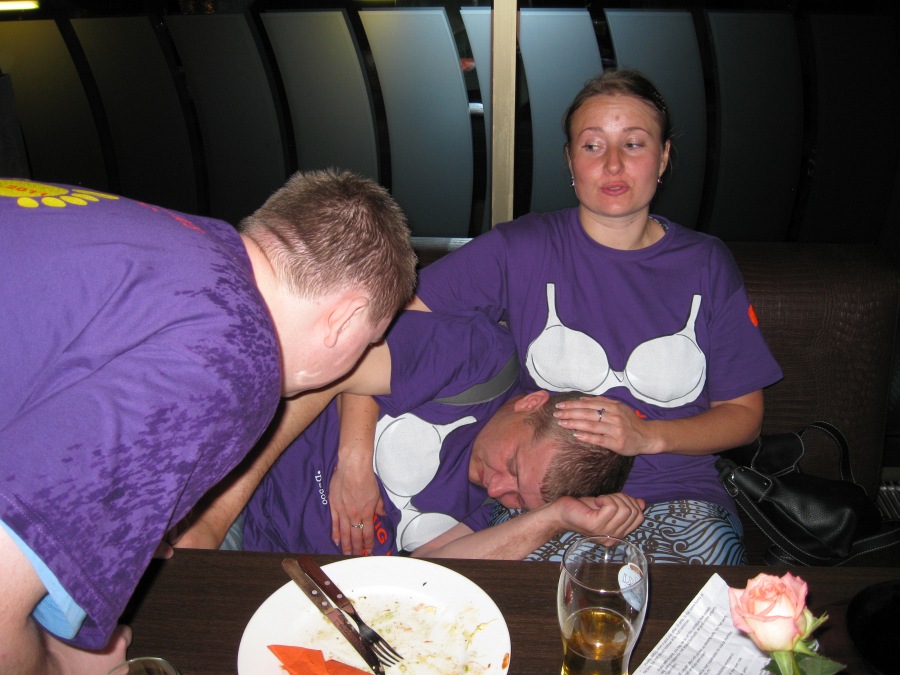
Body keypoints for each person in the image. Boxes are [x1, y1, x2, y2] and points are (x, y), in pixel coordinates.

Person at [0, 170, 416, 675]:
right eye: (369, 341)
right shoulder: (234, 356)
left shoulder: (184, 240)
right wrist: (61, 665)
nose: (360, 358)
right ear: (345, 319)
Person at [404, 69, 783, 565]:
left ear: (663, 157)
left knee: (688, 610)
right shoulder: (523, 248)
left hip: (678, 497)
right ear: (570, 160)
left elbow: (744, 417)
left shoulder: (705, 263)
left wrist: (649, 435)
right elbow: (392, 329)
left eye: (633, 143)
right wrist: (352, 452)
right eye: (592, 145)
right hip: (534, 502)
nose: (612, 164)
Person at [240, 310, 641, 560]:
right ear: (531, 404)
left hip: (313, 588)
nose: (496, 486)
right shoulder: (482, 360)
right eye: (513, 465)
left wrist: (555, 517)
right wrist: (354, 465)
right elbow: (356, 356)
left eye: (519, 499)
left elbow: (433, 565)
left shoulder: (493, 508)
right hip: (247, 501)